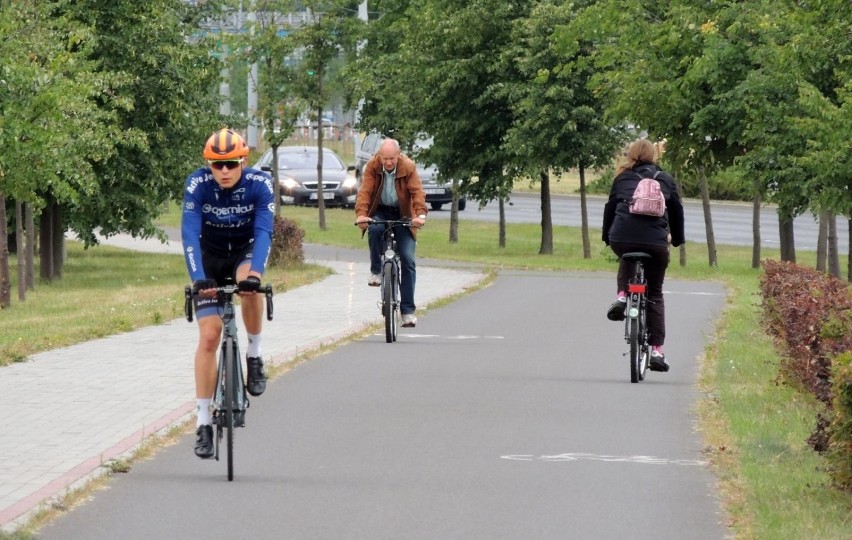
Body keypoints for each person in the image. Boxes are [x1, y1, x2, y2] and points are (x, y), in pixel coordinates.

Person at [181, 128, 275, 458]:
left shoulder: (259, 185)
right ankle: (204, 422)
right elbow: (189, 234)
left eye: (231, 164)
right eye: (216, 165)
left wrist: (255, 275)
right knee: (209, 336)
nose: (223, 171)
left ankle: (254, 353)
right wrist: (198, 278)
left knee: (249, 289)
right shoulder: (197, 185)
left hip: (244, 253)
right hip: (209, 256)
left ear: (244, 162)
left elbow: (264, 232)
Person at [601, 138, 685, 373]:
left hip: (622, 237)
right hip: (656, 243)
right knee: (655, 293)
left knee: (627, 255)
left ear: (630, 155)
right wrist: (676, 239)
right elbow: (677, 213)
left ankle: (621, 297)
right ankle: (657, 351)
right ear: (653, 156)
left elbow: (610, 209)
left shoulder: (622, 177)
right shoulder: (665, 179)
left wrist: (608, 237)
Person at [355, 138, 428, 328]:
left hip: (403, 213)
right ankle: (376, 272)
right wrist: (362, 215)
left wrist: (419, 214)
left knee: (408, 259)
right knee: (375, 228)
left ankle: (407, 312)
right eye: (385, 158)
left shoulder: (408, 167)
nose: (388, 163)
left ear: (398, 155)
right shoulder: (372, 166)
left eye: (392, 159)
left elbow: (417, 192)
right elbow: (365, 192)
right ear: (379, 156)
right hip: (379, 211)